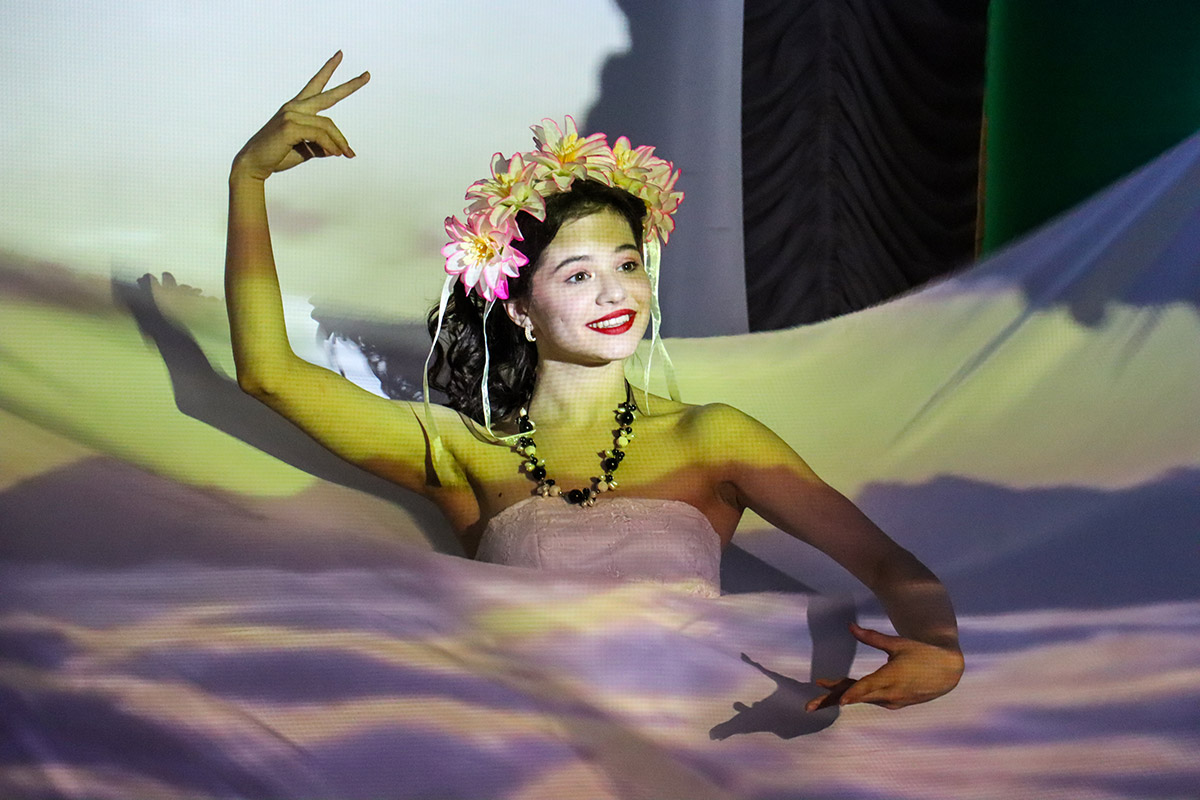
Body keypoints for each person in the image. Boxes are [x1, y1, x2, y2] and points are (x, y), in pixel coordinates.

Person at [226, 52, 964, 712]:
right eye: (578, 275)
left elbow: (887, 562)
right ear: (519, 309)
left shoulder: (711, 435)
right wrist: (248, 179)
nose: (616, 293)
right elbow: (269, 376)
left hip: (684, 747)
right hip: (522, 757)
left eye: (627, 264)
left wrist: (939, 648)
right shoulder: (463, 447)